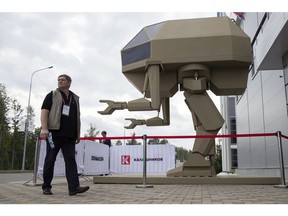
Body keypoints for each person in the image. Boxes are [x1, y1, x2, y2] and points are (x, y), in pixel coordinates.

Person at [40, 74, 89, 196]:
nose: (60, 81)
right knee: (50, 159)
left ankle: (74, 187)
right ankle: (46, 186)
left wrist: (77, 134)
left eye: (62, 80)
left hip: (69, 136)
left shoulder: (75, 98)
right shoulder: (52, 95)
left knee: (71, 160)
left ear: (69, 82)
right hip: (53, 134)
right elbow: (44, 111)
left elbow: (77, 117)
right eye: (58, 80)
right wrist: (44, 128)